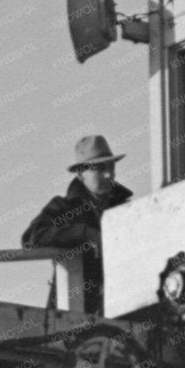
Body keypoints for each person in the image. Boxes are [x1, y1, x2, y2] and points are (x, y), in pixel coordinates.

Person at [22, 134, 134, 313]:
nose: (108, 174)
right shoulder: (64, 208)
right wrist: (84, 233)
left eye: (111, 166)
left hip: (121, 311)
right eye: (99, 168)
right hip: (70, 318)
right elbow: (32, 237)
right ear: (81, 173)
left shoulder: (128, 211)